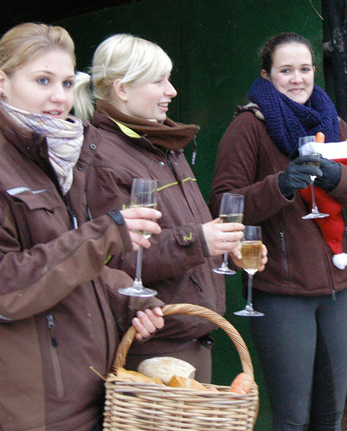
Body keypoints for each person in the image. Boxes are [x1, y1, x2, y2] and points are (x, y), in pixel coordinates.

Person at [0, 23, 166, 431]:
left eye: (68, 82)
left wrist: (126, 296)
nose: (60, 97)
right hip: (35, 407)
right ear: (0, 82)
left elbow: (64, 261)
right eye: (42, 80)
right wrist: (105, 233)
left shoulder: (51, 151)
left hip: (88, 385)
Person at [209, 32, 347, 430]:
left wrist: (338, 176)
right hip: (281, 292)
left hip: (338, 286)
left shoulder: (334, 123)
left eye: (304, 69)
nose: (297, 78)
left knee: (331, 413)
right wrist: (281, 185)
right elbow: (222, 205)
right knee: (292, 417)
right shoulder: (249, 127)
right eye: (285, 70)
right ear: (266, 75)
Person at [73, 34, 249, 383]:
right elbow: (114, 261)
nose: (172, 91)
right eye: (159, 81)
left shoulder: (164, 146)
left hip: (192, 338)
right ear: (122, 89)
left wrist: (222, 247)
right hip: (153, 348)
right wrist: (200, 240)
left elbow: (181, 232)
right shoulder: (103, 159)